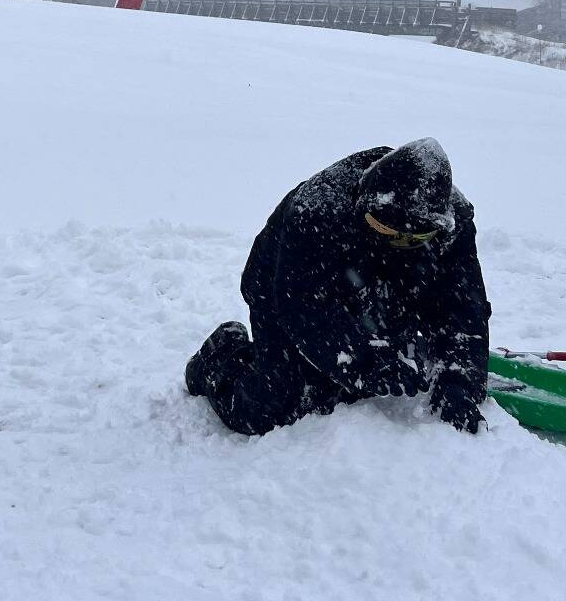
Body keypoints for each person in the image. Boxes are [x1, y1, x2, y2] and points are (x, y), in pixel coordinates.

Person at [185, 139, 491, 436]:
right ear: (365, 205)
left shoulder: (450, 222)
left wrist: (458, 381)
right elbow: (303, 308)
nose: (397, 243)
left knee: (351, 381)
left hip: (375, 280)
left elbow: (463, 307)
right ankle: (219, 354)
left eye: (412, 239)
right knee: (272, 405)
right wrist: (364, 362)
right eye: (385, 230)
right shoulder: (317, 209)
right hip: (282, 285)